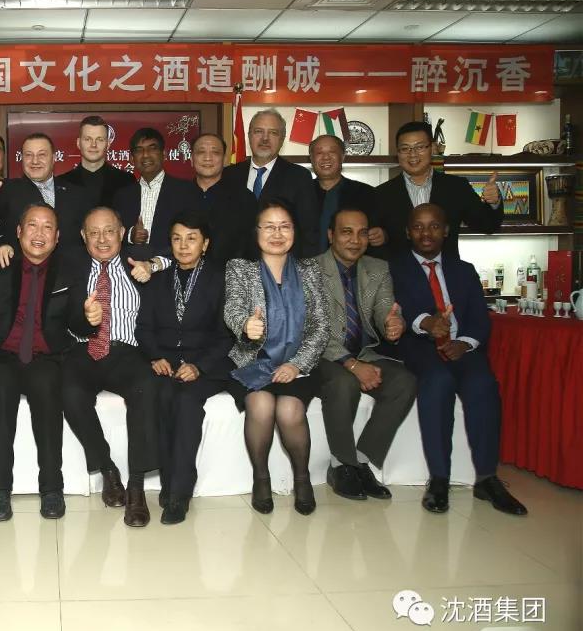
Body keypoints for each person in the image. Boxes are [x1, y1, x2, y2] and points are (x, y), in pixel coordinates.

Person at [389, 203, 526, 516]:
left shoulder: (464, 270)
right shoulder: (393, 269)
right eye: (418, 227)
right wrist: (426, 323)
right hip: (420, 347)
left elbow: (480, 319)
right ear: (408, 232)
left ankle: (487, 479)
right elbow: (396, 307)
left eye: (434, 226)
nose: (426, 233)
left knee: (483, 385)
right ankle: (439, 479)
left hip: (462, 348)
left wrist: (464, 343)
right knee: (438, 382)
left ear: (446, 231)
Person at [224, 200, 329, 516]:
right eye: (269, 227)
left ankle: (302, 478)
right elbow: (233, 309)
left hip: (298, 363)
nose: (277, 234)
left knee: (289, 409)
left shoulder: (310, 270)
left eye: (284, 226)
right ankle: (261, 477)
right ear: (256, 232)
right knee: (261, 405)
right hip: (254, 361)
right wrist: (246, 326)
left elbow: (321, 325)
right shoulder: (240, 268)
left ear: (295, 231)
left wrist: (296, 364)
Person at [135, 210, 239, 525]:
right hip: (166, 362)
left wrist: (199, 367)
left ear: (205, 244)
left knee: (186, 401)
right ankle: (169, 482)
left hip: (207, 364)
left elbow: (226, 336)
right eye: (177, 239)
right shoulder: (158, 280)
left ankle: (179, 494)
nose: (183, 246)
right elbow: (144, 328)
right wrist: (155, 356)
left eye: (192, 239)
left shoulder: (220, 279)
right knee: (160, 396)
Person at [65, 207, 160, 527]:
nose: (102, 239)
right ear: (83, 236)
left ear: (122, 233)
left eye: (109, 231)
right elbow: (65, 316)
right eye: (93, 233)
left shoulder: (139, 260)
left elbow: (176, 257)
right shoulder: (72, 265)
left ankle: (136, 486)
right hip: (84, 348)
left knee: (146, 387)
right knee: (69, 392)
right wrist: (85, 319)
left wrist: (154, 265)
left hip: (127, 351)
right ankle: (107, 469)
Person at [0, 204, 77, 521]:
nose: (39, 233)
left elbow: (78, 320)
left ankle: (52, 487)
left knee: (47, 386)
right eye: (32, 225)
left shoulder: (68, 271)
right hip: (3, 353)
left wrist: (89, 318)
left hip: (44, 356)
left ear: (57, 236)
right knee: (0, 388)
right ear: (19, 232)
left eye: (47, 227)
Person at [314, 208, 416, 501]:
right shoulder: (310, 270)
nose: (355, 240)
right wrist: (351, 364)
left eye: (361, 233)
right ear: (331, 235)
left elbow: (385, 308)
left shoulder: (378, 268)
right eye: (346, 232)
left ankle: (361, 460)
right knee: (343, 382)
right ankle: (341, 465)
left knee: (404, 381)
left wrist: (393, 323)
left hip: (363, 352)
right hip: (321, 354)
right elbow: (313, 330)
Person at [374, 121, 503, 259]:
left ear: (433, 148)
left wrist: (494, 202)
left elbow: (487, 225)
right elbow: (374, 245)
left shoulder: (456, 187)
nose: (413, 154)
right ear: (398, 153)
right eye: (405, 149)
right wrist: (382, 237)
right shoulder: (381, 194)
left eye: (420, 147)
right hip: (399, 272)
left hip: (447, 271)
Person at [0, 133, 90, 267]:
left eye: (42, 155)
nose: (35, 161)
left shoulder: (77, 193)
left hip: (69, 270)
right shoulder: (7, 189)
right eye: (28, 155)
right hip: (20, 271)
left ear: (54, 158)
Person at [219, 109, 319, 257]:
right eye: (258, 131)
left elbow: (308, 231)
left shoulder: (299, 177)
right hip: (233, 264)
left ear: (282, 139)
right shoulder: (228, 175)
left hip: (281, 264)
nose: (265, 138)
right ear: (249, 136)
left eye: (273, 133)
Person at [113, 127, 200, 261]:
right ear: (132, 159)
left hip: (172, 267)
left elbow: (194, 234)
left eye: (152, 148)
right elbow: (111, 233)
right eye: (139, 150)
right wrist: (130, 235)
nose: (145, 155)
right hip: (130, 268)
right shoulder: (122, 195)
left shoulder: (186, 191)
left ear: (163, 154)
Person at [188, 132, 258, 269]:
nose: (208, 158)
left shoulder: (244, 198)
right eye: (201, 152)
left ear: (225, 159)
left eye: (215, 152)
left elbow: (251, 248)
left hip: (230, 277)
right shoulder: (178, 195)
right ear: (191, 159)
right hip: (184, 276)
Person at [309, 134, 381, 254]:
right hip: (306, 263)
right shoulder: (299, 192)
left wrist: (381, 235)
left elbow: (382, 231)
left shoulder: (367, 193)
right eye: (319, 153)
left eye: (332, 152)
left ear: (342, 156)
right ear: (311, 158)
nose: (326, 157)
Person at [56, 115, 135, 208]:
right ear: (78, 143)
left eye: (100, 139)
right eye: (87, 139)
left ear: (108, 144)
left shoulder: (126, 181)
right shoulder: (61, 183)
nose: (93, 145)